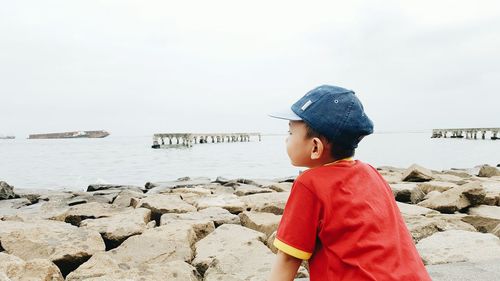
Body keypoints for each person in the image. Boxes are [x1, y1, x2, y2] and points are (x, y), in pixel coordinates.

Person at [268, 85, 431, 281]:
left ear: (315, 147)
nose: (287, 139)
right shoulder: (371, 172)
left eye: (291, 133)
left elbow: (287, 259)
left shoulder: (309, 184)